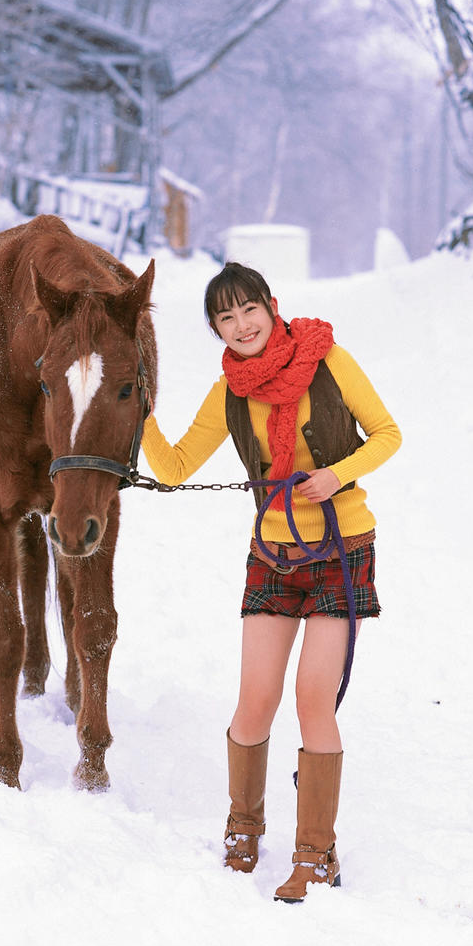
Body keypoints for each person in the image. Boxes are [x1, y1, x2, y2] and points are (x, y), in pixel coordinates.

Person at [140, 261, 401, 902]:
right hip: (274, 555)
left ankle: (315, 855)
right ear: (216, 331)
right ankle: (244, 829)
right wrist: (136, 410)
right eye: (224, 318)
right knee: (254, 702)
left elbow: (388, 434)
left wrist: (337, 475)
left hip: (341, 548)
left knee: (314, 697)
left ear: (271, 305)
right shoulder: (229, 393)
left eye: (247, 309)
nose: (240, 325)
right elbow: (173, 468)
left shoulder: (328, 359)